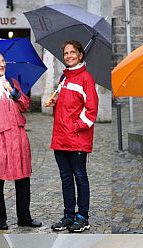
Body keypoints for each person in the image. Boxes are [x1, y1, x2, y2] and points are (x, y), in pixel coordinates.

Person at [0, 50, 41, 231]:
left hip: (18, 136)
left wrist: (14, 92)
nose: (1, 64)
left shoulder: (12, 83)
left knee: (23, 178)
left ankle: (24, 217)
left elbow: (25, 105)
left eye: (3, 61)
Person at [47, 40, 99, 234]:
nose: (68, 56)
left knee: (80, 176)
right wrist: (55, 102)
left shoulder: (86, 78)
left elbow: (91, 110)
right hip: (60, 138)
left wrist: (75, 126)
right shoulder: (64, 78)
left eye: (72, 52)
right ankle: (69, 215)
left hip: (76, 138)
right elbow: (68, 105)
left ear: (80, 55)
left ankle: (82, 217)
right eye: (66, 53)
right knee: (65, 178)